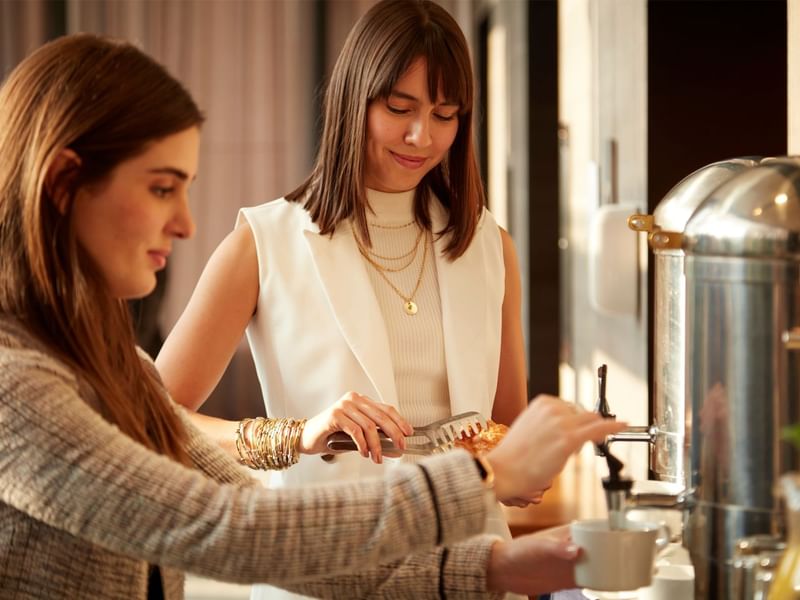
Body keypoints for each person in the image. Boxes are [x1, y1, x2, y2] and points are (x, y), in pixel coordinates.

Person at [0, 32, 625, 600]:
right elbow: (228, 529)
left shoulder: (112, 363)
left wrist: (499, 568)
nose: (187, 222)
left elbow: (253, 522)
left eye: (444, 114)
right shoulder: (15, 385)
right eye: (164, 188)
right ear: (63, 183)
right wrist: (484, 473)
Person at [157, 3, 538, 597]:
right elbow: (152, 416)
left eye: (446, 114)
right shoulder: (264, 242)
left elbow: (504, 426)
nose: (423, 137)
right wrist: (297, 435)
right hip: (322, 573)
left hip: (470, 571)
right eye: (399, 108)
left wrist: (525, 464)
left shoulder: (491, 247)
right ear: (353, 99)